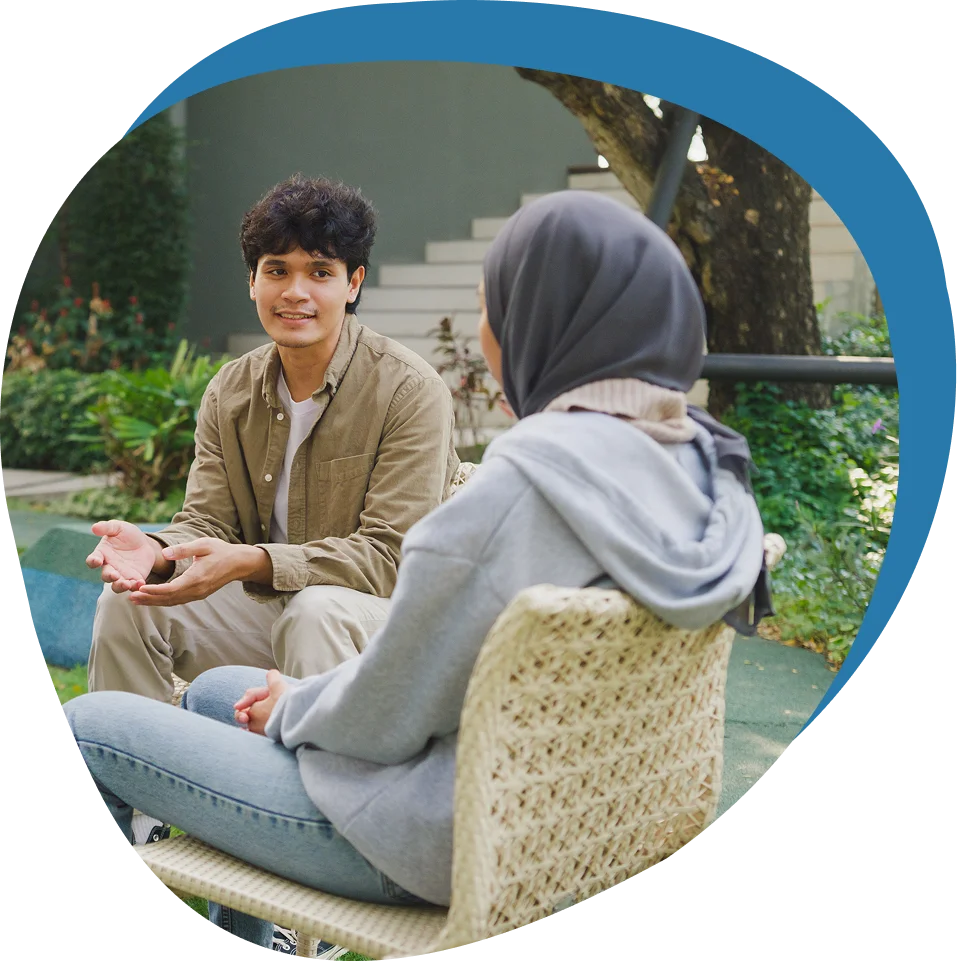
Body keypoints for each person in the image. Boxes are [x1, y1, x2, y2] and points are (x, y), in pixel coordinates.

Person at [63, 189, 772, 954]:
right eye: (276, 271)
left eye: (491, 307)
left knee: (90, 725)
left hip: (415, 835)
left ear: (539, 323)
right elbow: (433, 681)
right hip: (542, 819)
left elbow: (392, 705)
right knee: (212, 694)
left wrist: (295, 708)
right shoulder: (704, 471)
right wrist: (165, 552)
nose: (483, 330)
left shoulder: (518, 487)